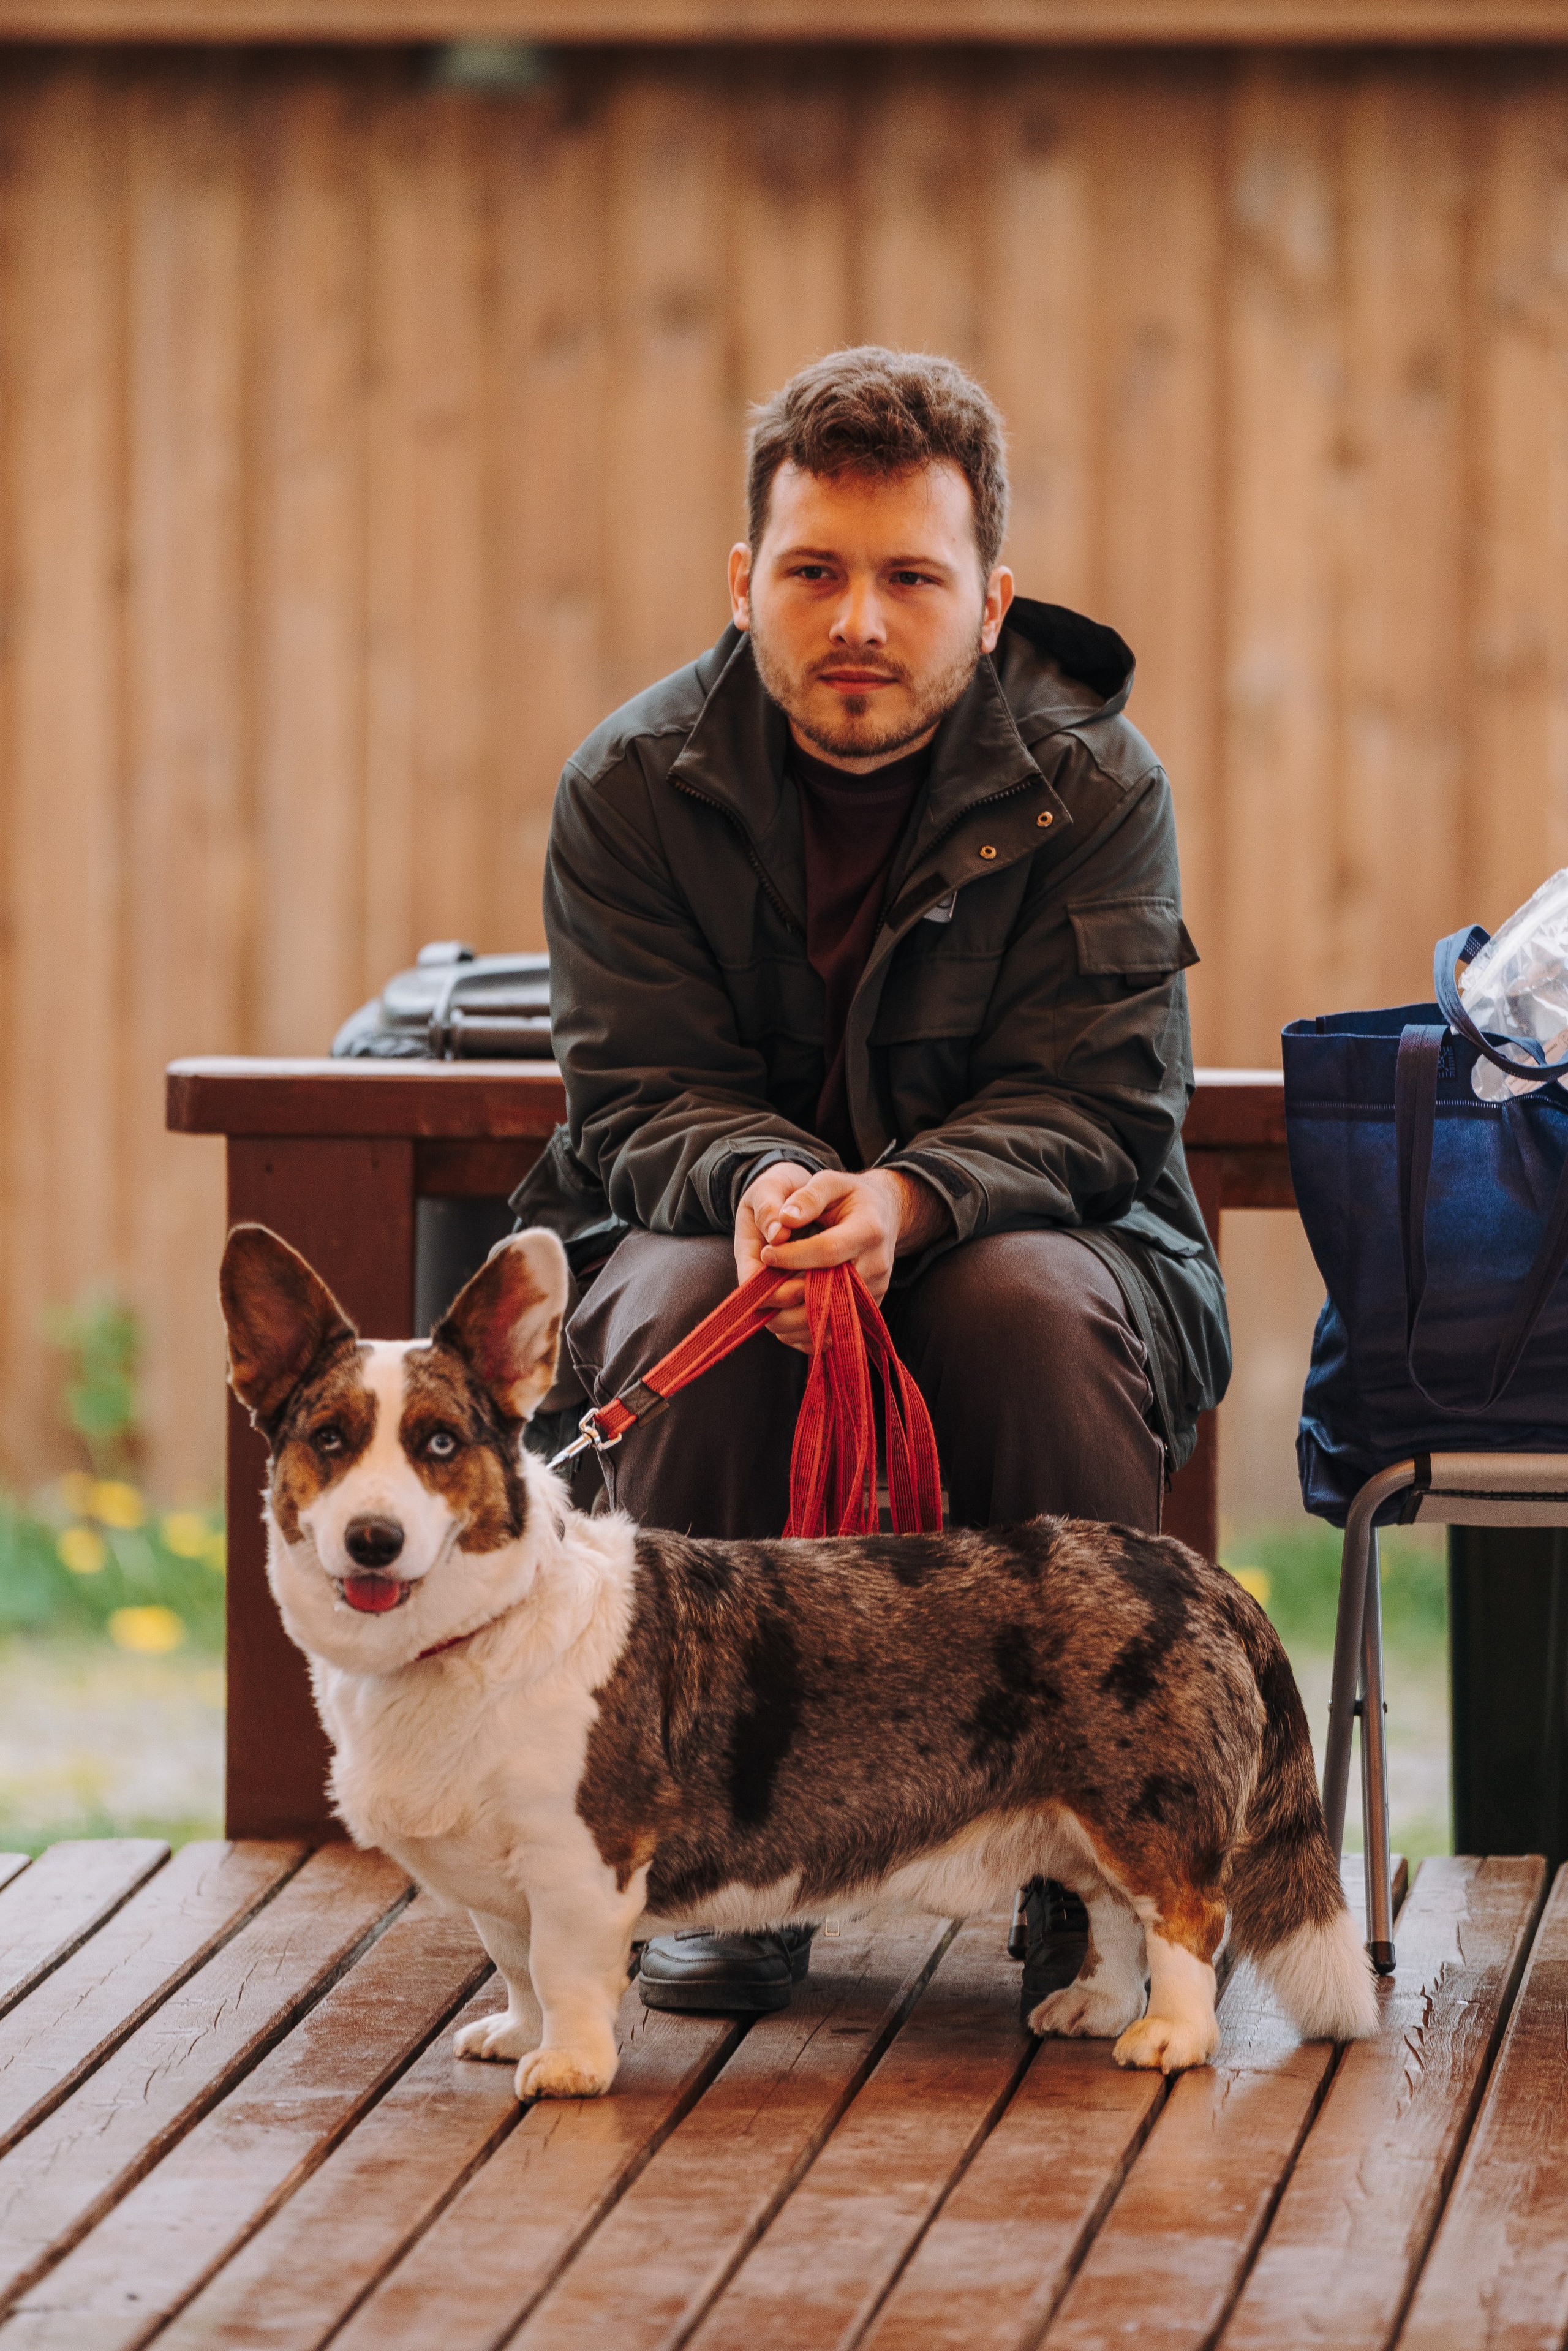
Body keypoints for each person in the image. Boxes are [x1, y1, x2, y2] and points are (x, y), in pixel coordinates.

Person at [515, 345, 1231, 2020]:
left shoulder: (1097, 781)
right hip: (710, 1226)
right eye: (814, 572)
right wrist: (766, 1183)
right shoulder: (629, 787)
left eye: (910, 577)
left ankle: (1091, 1861)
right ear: (743, 580)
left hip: (1055, 1242)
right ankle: (708, 1851)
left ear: (991, 601)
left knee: (1024, 1307)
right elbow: (635, 1095)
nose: (857, 619)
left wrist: (909, 1201)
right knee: (689, 1295)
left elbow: (1104, 1099)